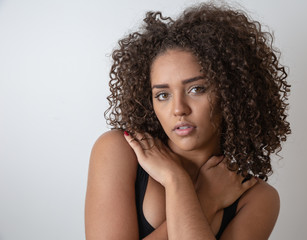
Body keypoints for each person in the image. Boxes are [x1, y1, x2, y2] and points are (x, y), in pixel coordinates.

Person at [85, 2, 291, 240]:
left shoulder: (256, 198)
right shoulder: (120, 150)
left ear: (232, 92)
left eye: (196, 89)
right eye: (163, 95)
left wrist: (178, 186)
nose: (179, 109)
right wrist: (193, 192)